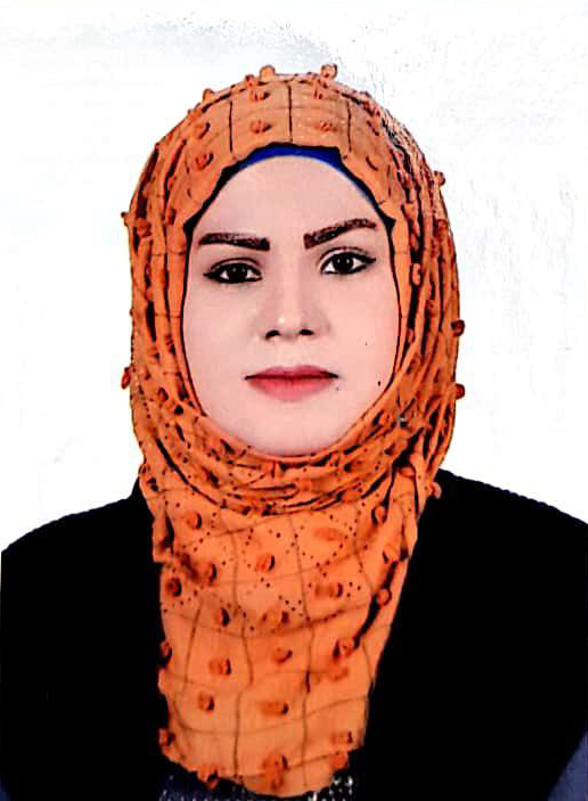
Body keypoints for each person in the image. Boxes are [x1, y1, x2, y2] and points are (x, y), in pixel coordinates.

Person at [0, 63, 586, 801]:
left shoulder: (561, 593)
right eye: (234, 271)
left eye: (344, 261)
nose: (288, 316)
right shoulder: (33, 603)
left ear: (420, 289)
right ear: (160, 302)